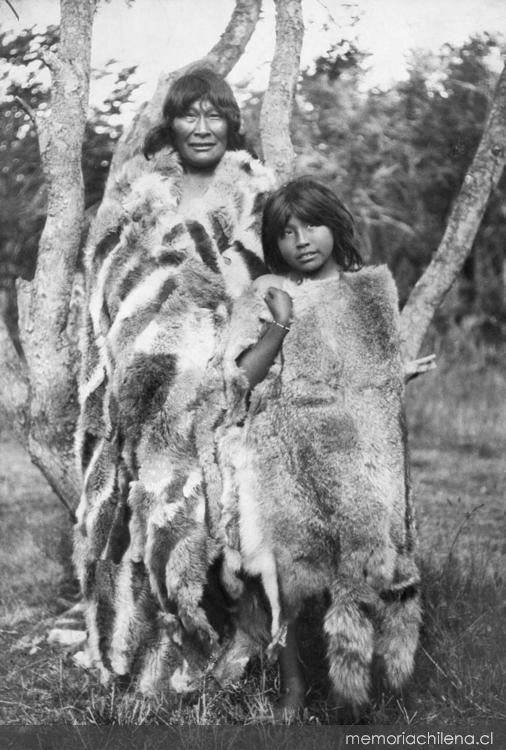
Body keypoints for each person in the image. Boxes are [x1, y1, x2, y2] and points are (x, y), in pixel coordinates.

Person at [71, 68, 276, 693]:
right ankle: (156, 645)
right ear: (172, 123)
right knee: (151, 510)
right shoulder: (139, 195)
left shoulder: (257, 194)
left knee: (230, 510)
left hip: (228, 380)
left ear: (232, 123)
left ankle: (243, 649)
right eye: (190, 113)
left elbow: (272, 283)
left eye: (215, 114)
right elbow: (111, 286)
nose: (202, 127)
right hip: (146, 386)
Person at [205, 177, 421, 712]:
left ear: (336, 226)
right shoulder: (265, 294)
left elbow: (376, 380)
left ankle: (361, 685)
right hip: (289, 458)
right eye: (287, 232)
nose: (301, 241)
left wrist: (396, 382)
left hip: (362, 457)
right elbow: (242, 377)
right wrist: (280, 323)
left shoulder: (371, 291)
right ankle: (294, 688)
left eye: (313, 226)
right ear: (273, 242)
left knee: (364, 563)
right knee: (288, 576)